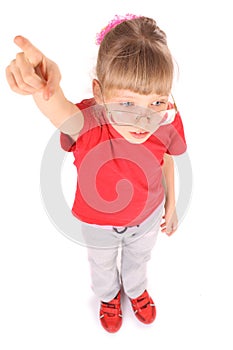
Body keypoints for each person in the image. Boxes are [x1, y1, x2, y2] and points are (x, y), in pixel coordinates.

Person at [6, 14, 187, 333]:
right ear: (99, 93)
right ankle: (108, 296)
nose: (143, 120)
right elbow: (57, 110)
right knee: (102, 266)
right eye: (128, 103)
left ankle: (135, 290)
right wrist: (45, 86)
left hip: (145, 219)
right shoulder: (87, 123)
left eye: (157, 101)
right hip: (98, 223)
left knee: (138, 261)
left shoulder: (166, 119)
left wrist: (171, 205)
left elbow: (167, 160)